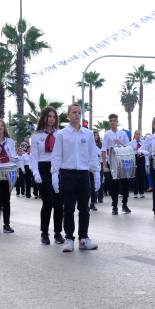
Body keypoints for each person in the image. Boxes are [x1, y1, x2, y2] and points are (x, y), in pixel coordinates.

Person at [51, 103, 101, 252]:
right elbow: (56, 156)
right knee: (69, 209)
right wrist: (54, 174)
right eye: (74, 112)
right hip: (67, 173)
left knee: (84, 208)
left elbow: (93, 154)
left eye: (79, 112)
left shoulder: (88, 134)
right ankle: (69, 239)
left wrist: (96, 173)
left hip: (84, 174)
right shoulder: (62, 134)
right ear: (68, 115)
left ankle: (84, 238)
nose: (77, 115)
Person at [30, 106, 65, 245]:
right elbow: (34, 157)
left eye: (54, 116)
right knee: (48, 201)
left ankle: (58, 232)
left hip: (57, 168)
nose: (52, 119)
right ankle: (44, 232)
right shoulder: (37, 136)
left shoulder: (60, 134)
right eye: (49, 116)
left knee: (58, 202)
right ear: (44, 117)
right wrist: (36, 172)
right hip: (43, 169)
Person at [101, 113, 132, 215]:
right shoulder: (107, 134)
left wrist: (120, 143)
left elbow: (128, 147)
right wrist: (104, 163)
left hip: (123, 161)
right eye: (111, 121)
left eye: (114, 120)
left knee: (125, 184)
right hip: (112, 162)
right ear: (109, 122)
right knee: (113, 185)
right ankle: (114, 206)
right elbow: (104, 149)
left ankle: (125, 204)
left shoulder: (123, 134)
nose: (112, 122)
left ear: (117, 121)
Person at [130, 130, 147, 199]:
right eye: (136, 134)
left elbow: (145, 151)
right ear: (134, 135)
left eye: (139, 134)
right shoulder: (131, 143)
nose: (138, 135)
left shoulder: (143, 142)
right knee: (135, 176)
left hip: (141, 158)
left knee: (142, 175)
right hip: (135, 158)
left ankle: (142, 192)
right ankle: (135, 192)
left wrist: (147, 161)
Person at [91, 131, 104, 205]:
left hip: (100, 163)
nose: (96, 136)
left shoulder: (100, 145)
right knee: (93, 181)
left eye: (97, 135)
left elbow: (103, 154)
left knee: (100, 180)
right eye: (94, 135)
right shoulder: (90, 144)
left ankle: (100, 197)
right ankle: (94, 198)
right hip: (93, 164)